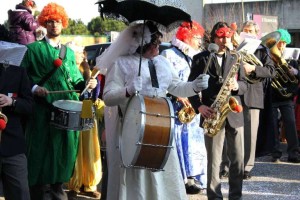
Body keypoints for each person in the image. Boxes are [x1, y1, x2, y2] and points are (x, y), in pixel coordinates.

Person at [95, 21, 209, 200]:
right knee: (137, 178)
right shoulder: (121, 64)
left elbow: (176, 87)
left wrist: (194, 86)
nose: (158, 46)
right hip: (133, 133)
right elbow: (108, 97)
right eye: (154, 43)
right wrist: (127, 90)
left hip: (162, 130)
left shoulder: (162, 61)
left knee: (163, 175)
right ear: (142, 44)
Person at [20, 3, 97, 199]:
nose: (55, 25)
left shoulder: (69, 53)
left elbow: (76, 80)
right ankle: (38, 193)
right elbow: (21, 76)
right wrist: (34, 88)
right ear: (44, 23)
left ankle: (57, 190)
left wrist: (88, 83)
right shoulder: (32, 49)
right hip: (41, 112)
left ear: (63, 24)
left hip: (65, 112)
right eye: (51, 21)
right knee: (39, 152)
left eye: (58, 21)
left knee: (64, 153)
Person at [188, 21, 248, 200]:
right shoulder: (200, 58)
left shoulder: (237, 57)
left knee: (237, 160)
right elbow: (191, 87)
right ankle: (214, 197)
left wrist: (237, 85)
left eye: (227, 36)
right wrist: (199, 106)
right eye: (221, 36)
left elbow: (246, 86)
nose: (224, 40)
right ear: (213, 37)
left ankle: (235, 196)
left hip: (234, 112)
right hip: (212, 114)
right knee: (214, 162)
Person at [223, 20, 276, 180]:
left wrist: (253, 68)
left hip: (253, 95)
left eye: (251, 31)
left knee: (250, 134)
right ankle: (227, 165)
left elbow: (271, 71)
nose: (248, 32)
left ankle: (247, 167)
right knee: (231, 132)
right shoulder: (234, 47)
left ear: (256, 33)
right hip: (235, 95)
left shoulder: (262, 50)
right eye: (245, 30)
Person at [160, 20, 207, 194]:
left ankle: (193, 176)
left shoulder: (197, 55)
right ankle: (180, 178)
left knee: (194, 143)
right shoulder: (168, 54)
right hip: (176, 107)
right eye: (196, 37)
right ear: (187, 36)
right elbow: (165, 81)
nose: (199, 41)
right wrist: (178, 95)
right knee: (178, 142)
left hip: (193, 108)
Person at [66, 42, 102, 199]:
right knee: (75, 148)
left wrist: (95, 85)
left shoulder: (89, 70)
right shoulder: (67, 69)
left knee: (89, 147)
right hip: (73, 110)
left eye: (82, 52)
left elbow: (96, 94)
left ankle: (89, 184)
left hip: (87, 110)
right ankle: (74, 183)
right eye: (78, 52)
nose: (82, 54)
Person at [0, 41, 33, 200]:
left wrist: (11, 102)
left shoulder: (18, 71)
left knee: (20, 193)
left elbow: (29, 105)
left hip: (13, 145)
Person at [268, 29, 300, 163]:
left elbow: (295, 82)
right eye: (279, 43)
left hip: (286, 97)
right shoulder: (269, 59)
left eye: (284, 43)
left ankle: (294, 153)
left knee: (291, 124)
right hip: (272, 97)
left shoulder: (291, 61)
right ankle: (275, 153)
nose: (281, 46)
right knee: (273, 125)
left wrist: (295, 72)